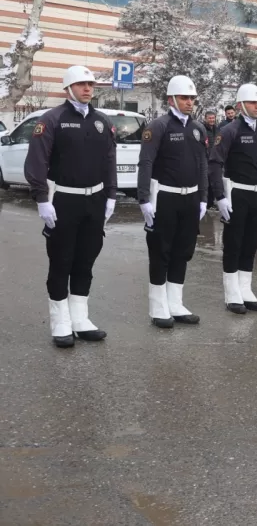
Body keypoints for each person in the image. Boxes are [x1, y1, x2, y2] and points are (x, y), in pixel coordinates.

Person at [25, 65, 116, 347]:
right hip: (63, 200)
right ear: (68, 88)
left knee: (86, 260)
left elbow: (109, 160)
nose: (87, 89)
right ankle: (60, 322)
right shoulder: (52, 119)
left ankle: (80, 319)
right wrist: (42, 199)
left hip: (95, 200)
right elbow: (37, 162)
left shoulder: (101, 121)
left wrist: (111, 195)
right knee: (61, 260)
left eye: (90, 84)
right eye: (81, 84)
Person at [138, 75, 208, 329]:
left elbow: (202, 166)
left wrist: (203, 198)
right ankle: (158, 307)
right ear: (171, 99)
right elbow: (145, 162)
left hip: (190, 198)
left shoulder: (198, 129)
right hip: (164, 198)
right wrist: (144, 198)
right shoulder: (158, 126)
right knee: (161, 251)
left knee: (182, 251)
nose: (189, 102)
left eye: (191, 98)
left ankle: (175, 303)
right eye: (184, 98)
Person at [210, 84, 257, 314]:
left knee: (252, 242)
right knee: (234, 243)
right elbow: (215, 163)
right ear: (240, 106)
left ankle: (245, 289)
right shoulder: (230, 131)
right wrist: (220, 197)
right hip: (236, 192)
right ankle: (231, 293)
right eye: (253, 103)